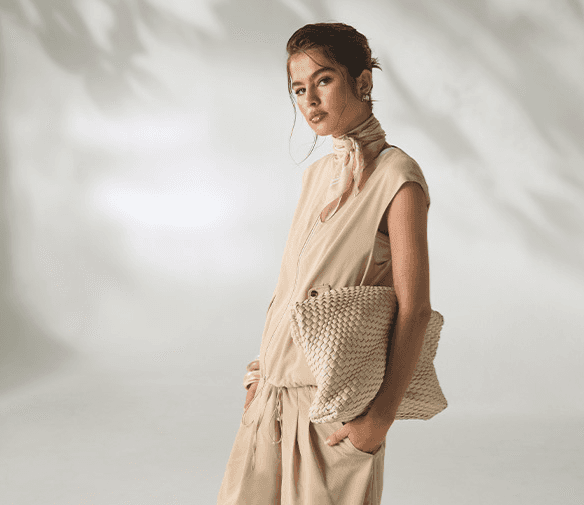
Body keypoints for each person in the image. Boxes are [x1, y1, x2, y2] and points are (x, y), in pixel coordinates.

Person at [217, 22, 433, 505]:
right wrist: (260, 376)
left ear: (363, 81)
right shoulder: (316, 176)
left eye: (324, 80)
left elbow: (415, 309)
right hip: (270, 404)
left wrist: (378, 421)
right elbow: (291, 287)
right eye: (299, 89)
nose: (310, 100)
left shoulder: (398, 178)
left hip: (334, 415)